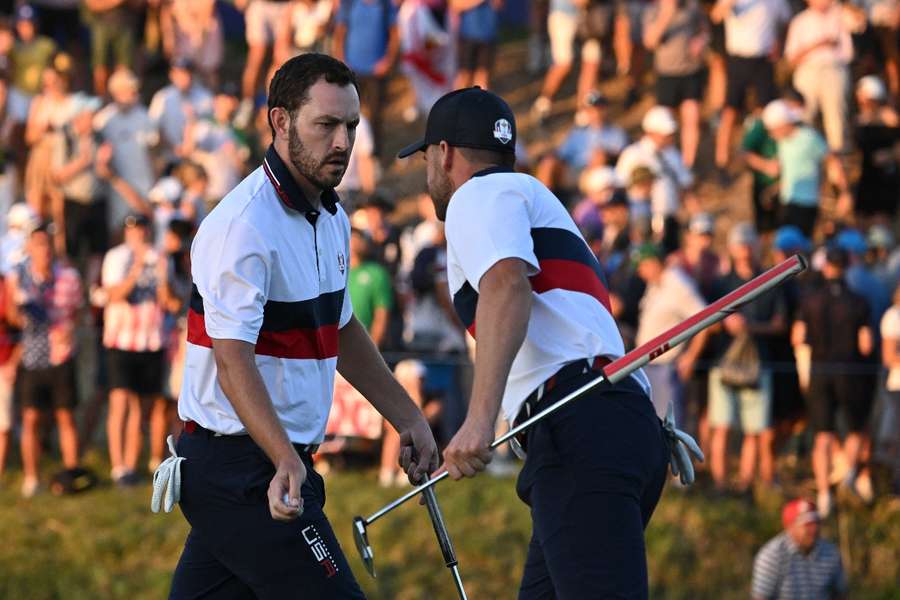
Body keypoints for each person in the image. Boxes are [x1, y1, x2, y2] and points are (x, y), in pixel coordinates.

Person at [397, 86, 699, 598]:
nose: (429, 172)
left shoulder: (477, 195)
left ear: (444, 154)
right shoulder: (529, 195)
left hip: (579, 423)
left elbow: (507, 284)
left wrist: (477, 420)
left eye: (427, 157)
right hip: (604, 423)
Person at [168, 53, 438, 598]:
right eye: (327, 125)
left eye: (352, 126)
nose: (343, 142)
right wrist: (284, 457)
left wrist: (406, 415)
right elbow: (231, 360)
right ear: (281, 122)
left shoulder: (333, 217)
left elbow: (340, 329)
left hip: (272, 461)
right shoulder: (242, 227)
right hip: (242, 466)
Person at [792, 246, 873, 517]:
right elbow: (865, 345)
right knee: (855, 429)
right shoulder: (859, 302)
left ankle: (825, 492)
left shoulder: (810, 300)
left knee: (823, 436)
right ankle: (849, 472)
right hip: (849, 372)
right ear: (847, 265)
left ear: (826, 266)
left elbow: (798, 337)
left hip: (819, 370)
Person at [708, 223, 786, 493]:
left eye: (747, 245)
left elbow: (779, 323)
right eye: (739, 245)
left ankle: (745, 486)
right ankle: (720, 486)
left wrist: (750, 328)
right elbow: (706, 322)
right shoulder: (721, 283)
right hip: (724, 362)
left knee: (754, 431)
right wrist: (726, 323)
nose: (743, 251)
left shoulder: (770, 283)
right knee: (722, 427)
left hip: (759, 362)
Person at [6, 223, 82, 498]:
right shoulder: (21, 277)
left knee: (65, 416)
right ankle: (32, 477)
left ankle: (72, 474)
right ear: (30, 247)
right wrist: (18, 307)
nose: (44, 250)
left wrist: (71, 328)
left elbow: (78, 312)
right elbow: (14, 319)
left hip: (61, 355)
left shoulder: (69, 277)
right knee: (31, 418)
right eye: (38, 244)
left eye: (47, 244)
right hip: (32, 356)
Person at [99, 214, 173, 485]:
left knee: (141, 407)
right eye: (132, 229)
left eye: (141, 228)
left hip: (150, 339)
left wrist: (162, 278)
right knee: (120, 402)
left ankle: (129, 468)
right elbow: (113, 295)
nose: (138, 234)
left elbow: (165, 300)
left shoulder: (160, 256)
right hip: (120, 339)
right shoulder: (116, 257)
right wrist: (137, 267)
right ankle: (117, 465)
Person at [710, 0, 791, 176]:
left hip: (763, 60)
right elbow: (715, 16)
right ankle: (722, 161)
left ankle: (769, 154)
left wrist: (780, 43)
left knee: (768, 111)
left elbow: (786, 21)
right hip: (738, 59)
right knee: (730, 110)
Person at [634, 242, 709, 425]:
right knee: (651, 425)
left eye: (642, 266)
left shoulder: (677, 283)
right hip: (648, 366)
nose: (639, 272)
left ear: (654, 263)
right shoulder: (654, 285)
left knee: (668, 427)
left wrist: (690, 357)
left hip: (666, 368)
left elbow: (705, 319)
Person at [757, 99, 852, 237]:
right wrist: (773, 190)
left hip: (806, 203)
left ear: (783, 124)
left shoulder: (809, 138)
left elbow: (832, 162)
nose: (772, 135)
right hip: (786, 202)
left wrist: (844, 193)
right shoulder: (783, 143)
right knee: (785, 247)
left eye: (773, 130)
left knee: (799, 248)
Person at [616, 105, 695, 254]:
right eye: (664, 133)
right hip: (641, 220)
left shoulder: (673, 155)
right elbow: (620, 186)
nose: (669, 137)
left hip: (669, 220)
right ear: (650, 132)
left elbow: (686, 185)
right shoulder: (633, 154)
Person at [643, 0, 708, 168]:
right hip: (667, 75)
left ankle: (688, 166)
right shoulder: (653, 10)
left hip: (691, 71)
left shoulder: (692, 7)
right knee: (665, 122)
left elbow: (705, 31)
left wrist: (701, 41)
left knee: (692, 119)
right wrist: (667, 14)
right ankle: (666, 162)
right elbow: (650, 42)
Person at [94, 68, 158, 235]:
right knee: (118, 230)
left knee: (145, 230)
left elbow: (152, 154)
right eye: (130, 91)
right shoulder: (103, 119)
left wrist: (154, 183)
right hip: (117, 188)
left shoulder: (144, 117)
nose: (134, 95)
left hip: (144, 185)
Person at [784, 0, 853, 152]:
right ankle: (804, 155)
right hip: (808, 71)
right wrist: (818, 45)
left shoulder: (840, 18)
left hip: (834, 70)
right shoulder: (800, 22)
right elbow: (791, 58)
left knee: (836, 118)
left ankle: (837, 162)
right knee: (804, 116)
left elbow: (850, 49)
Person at [333, 0, 400, 150]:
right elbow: (340, 32)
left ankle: (374, 154)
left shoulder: (385, 4)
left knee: (376, 116)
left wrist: (388, 61)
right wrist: (341, 60)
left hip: (376, 72)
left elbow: (395, 34)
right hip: (351, 70)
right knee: (348, 114)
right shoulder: (349, 4)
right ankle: (347, 152)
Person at [751, 498, 848, 599]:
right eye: (807, 524)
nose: (814, 529)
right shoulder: (771, 555)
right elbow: (761, 597)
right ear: (790, 527)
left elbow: (841, 594)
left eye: (816, 523)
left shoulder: (831, 553)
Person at [234, 0, 292, 129]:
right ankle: (247, 103)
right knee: (257, 56)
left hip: (285, 6)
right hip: (260, 5)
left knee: (280, 58)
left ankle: (271, 107)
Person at [853, 75, 900, 225]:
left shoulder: (890, 119)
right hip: (864, 180)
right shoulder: (858, 120)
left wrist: (891, 155)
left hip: (884, 182)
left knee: (880, 227)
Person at [148, 58, 214, 157]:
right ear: (172, 75)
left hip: (198, 156)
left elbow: (210, 127)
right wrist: (174, 148)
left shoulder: (205, 97)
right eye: (179, 73)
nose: (183, 77)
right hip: (169, 155)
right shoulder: (162, 97)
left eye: (187, 73)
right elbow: (154, 127)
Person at [84, 0, 137, 97]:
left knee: (124, 68)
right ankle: (101, 98)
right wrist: (116, 2)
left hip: (124, 25)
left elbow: (138, 4)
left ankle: (122, 97)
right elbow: (92, 4)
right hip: (101, 26)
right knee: (100, 68)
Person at [451, 0, 502, 90]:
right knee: (464, 75)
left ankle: (480, 102)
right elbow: (455, 5)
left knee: (483, 75)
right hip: (467, 35)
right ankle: (459, 103)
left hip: (488, 35)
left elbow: (498, 6)